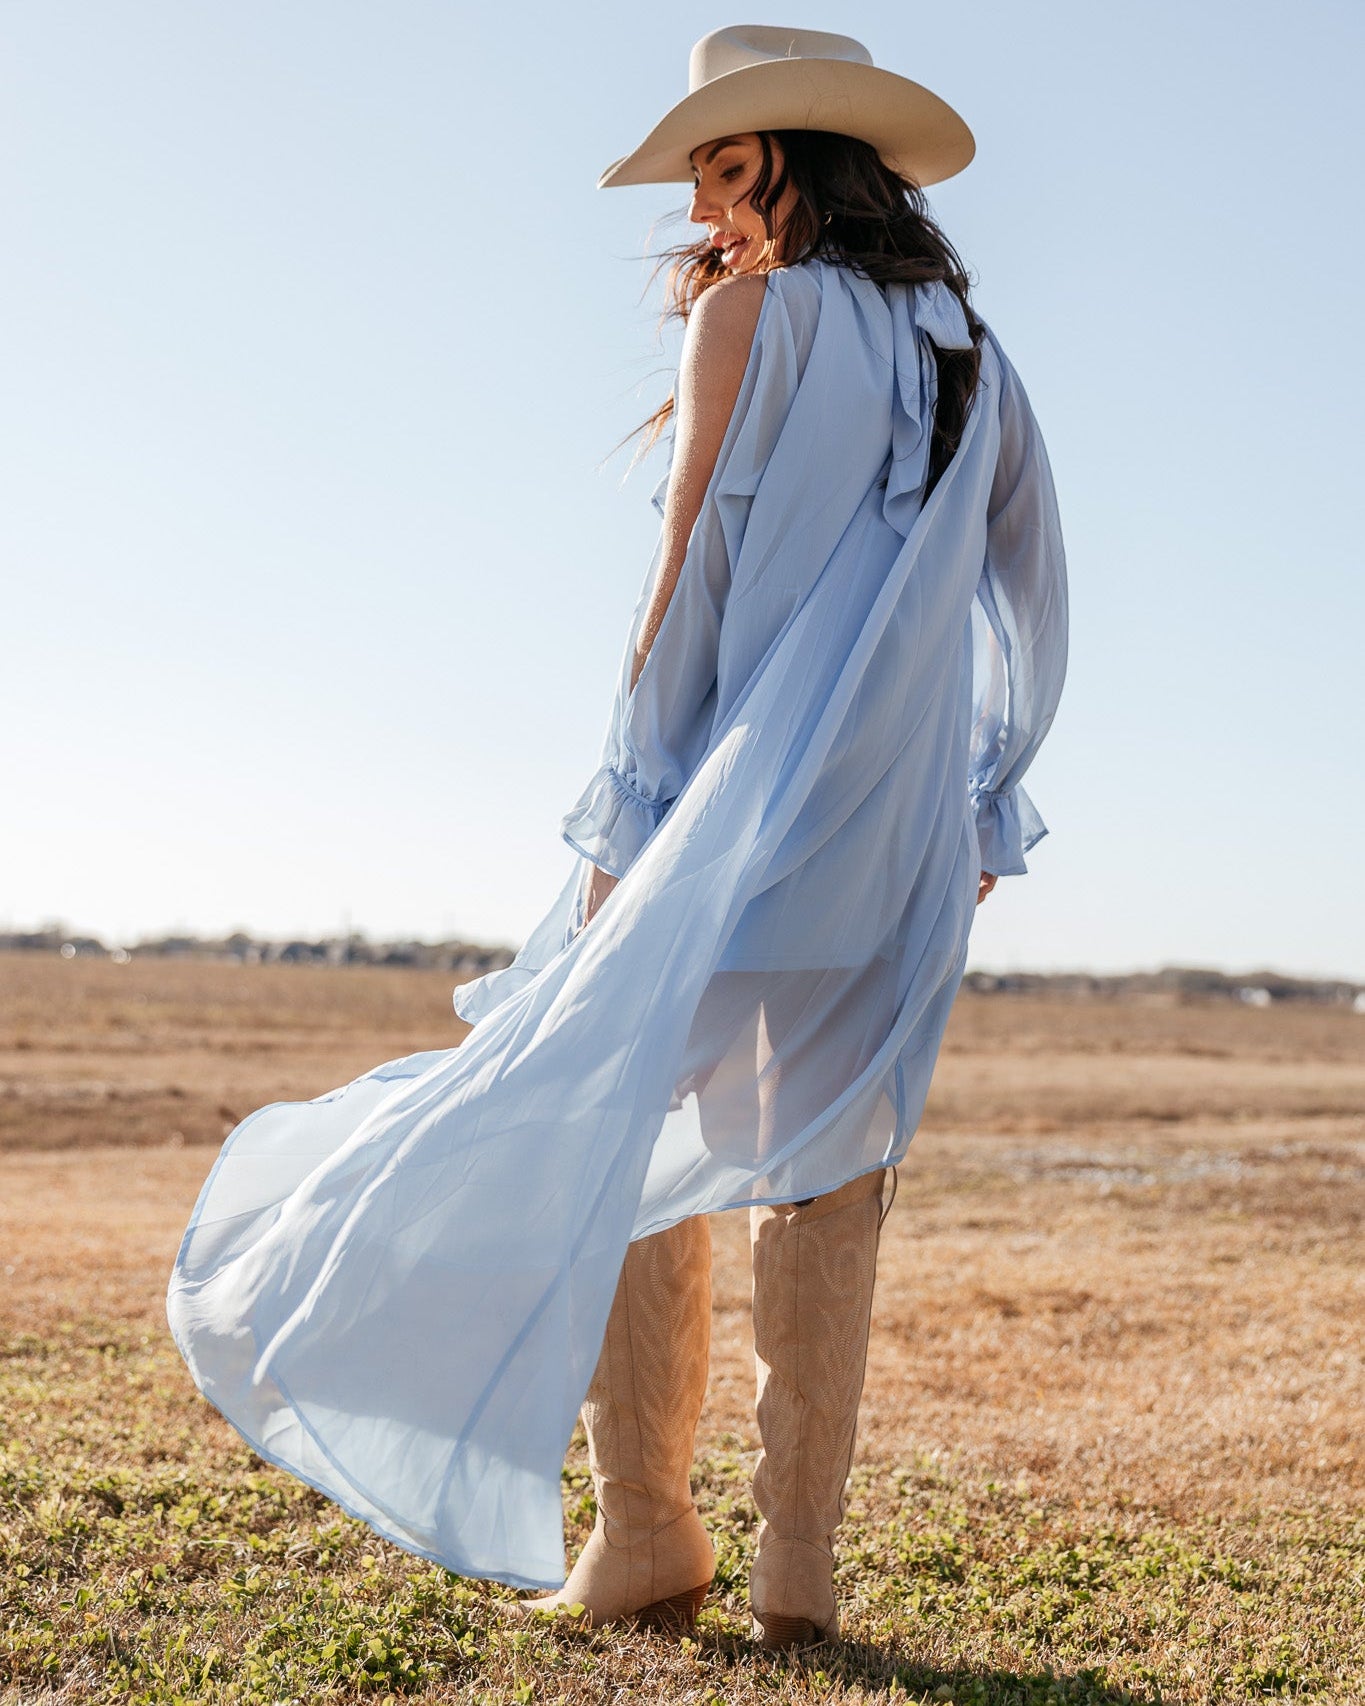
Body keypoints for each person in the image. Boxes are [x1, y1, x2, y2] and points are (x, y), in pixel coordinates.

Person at [167, 24, 1067, 1655]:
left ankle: (647, 1526)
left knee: (616, 1113)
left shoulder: (745, 317)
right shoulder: (973, 359)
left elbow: (686, 592)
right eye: (703, 181)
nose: (711, 210)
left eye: (732, 170)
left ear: (808, 162)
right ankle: (799, 1569)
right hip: (897, 830)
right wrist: (990, 793)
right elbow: (1033, 598)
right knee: (829, 1164)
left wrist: (625, 802)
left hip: (733, 806)